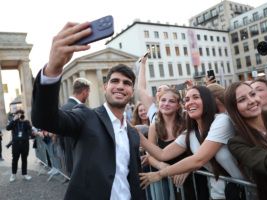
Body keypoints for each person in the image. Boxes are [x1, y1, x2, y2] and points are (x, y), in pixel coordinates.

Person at [31, 21, 145, 200]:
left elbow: (130, 177)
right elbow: (45, 119)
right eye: (115, 81)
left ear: (131, 92)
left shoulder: (132, 133)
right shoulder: (86, 117)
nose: (120, 86)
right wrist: (53, 69)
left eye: (127, 83)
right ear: (104, 87)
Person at [139, 86, 244, 200]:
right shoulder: (191, 133)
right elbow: (162, 154)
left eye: (196, 97)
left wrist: (160, 174)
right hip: (218, 194)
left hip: (244, 190)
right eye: (187, 99)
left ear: (207, 100)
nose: (190, 102)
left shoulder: (222, 121)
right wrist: (138, 136)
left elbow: (199, 159)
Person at [59, 77, 91, 178]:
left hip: (71, 160)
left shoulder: (63, 108)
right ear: (85, 92)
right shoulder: (80, 109)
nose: (88, 95)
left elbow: (61, 140)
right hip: (83, 163)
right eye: (88, 92)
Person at [137, 56, 169, 123]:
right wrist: (143, 64)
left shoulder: (179, 114)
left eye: (165, 90)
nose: (159, 92)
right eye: (159, 90)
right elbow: (141, 88)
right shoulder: (153, 110)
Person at [6, 109, 33, 182]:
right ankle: (13, 174)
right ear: (15, 115)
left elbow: (30, 132)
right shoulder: (13, 123)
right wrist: (14, 120)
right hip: (16, 145)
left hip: (25, 144)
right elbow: (7, 128)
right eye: (18, 114)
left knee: (24, 160)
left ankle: (25, 174)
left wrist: (27, 123)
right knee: (15, 160)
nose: (19, 116)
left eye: (21, 114)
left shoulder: (26, 122)